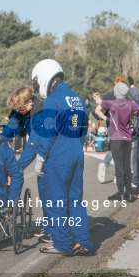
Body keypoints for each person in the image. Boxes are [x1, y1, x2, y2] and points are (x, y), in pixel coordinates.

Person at [29, 59, 93, 256]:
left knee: (55, 200)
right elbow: (84, 129)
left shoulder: (52, 100)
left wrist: (41, 156)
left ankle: (62, 244)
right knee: (75, 199)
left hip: (59, 153)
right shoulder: (78, 98)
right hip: (77, 149)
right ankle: (82, 241)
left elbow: (49, 131)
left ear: (44, 77)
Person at [1, 85, 52, 243]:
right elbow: (13, 125)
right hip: (42, 149)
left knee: (48, 191)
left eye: (21, 108)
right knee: (43, 190)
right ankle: (49, 226)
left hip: (53, 153)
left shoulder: (40, 114)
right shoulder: (24, 110)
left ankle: (53, 231)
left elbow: (35, 144)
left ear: (29, 102)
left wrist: (16, 169)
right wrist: (0, 141)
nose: (19, 111)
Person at [92, 82, 139, 203]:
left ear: (116, 92)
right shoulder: (130, 104)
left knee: (119, 167)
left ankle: (120, 193)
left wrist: (96, 96)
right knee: (127, 166)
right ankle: (128, 193)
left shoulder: (112, 104)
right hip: (127, 139)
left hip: (116, 139)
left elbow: (98, 102)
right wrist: (133, 114)